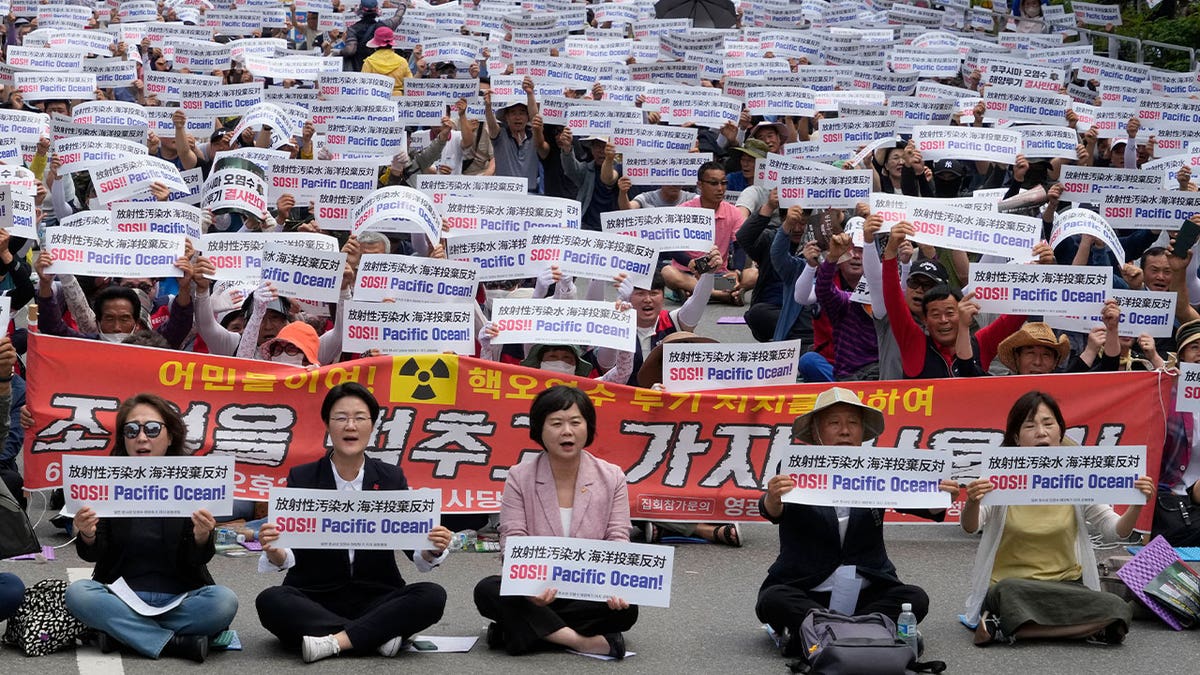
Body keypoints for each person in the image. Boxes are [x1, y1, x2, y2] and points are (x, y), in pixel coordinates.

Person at [255, 383, 451, 663]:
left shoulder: (391, 478)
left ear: (372, 426)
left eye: (360, 418)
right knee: (270, 602)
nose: (350, 426)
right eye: (341, 418)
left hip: (378, 597)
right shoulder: (303, 477)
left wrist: (432, 548)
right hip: (314, 596)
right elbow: (290, 548)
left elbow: (412, 546)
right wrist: (275, 552)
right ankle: (375, 636)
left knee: (432, 596)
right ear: (327, 425)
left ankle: (333, 641)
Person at [756, 387, 957, 657]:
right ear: (816, 431)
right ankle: (867, 631)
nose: (845, 431)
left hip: (867, 590)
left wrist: (942, 495)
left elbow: (924, 503)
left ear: (863, 431)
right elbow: (772, 511)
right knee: (773, 601)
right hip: (808, 588)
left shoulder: (878, 469)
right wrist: (773, 497)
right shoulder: (796, 467)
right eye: (834, 423)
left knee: (915, 599)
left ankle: (822, 633)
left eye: (853, 423)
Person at [960, 391, 1153, 646]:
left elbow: (1114, 530)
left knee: (1116, 607)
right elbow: (970, 527)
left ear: (1060, 432)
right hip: (1013, 587)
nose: (1041, 432)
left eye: (1048, 424)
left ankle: (1007, 629)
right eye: (1030, 426)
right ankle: (1086, 629)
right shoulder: (1000, 478)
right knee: (1010, 593)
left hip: (1066, 587)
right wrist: (973, 501)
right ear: (1017, 438)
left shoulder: (1078, 478)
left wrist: (1137, 505)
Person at [64, 394, 239, 663]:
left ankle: (121, 633)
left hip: (181, 598)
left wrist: (202, 536)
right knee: (78, 594)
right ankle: (175, 643)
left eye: (152, 429)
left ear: (170, 437)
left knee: (224, 601)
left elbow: (198, 558)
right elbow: (92, 555)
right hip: (121, 596)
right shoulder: (107, 479)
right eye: (131, 430)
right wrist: (87, 533)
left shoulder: (192, 480)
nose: (141, 437)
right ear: (123, 438)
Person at [474, 385, 636, 658]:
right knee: (487, 590)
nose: (567, 432)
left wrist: (615, 586)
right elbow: (513, 538)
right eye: (556, 423)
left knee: (627, 611)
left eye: (575, 422)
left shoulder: (612, 476)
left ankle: (514, 632)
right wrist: (529, 590)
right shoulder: (520, 476)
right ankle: (580, 642)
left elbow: (618, 536)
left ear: (588, 426)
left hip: (588, 589)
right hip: (536, 588)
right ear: (540, 430)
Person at [361, 27, 412, 96]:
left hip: (376, 99)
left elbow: (363, 86)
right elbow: (410, 85)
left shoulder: (369, 62)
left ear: (376, 44)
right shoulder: (402, 62)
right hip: (398, 100)